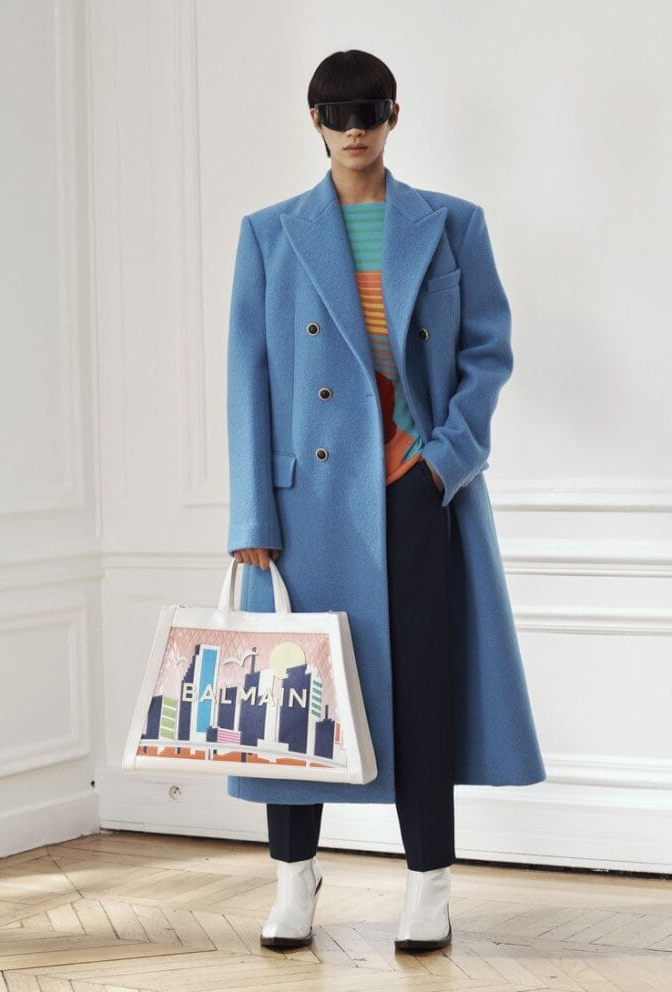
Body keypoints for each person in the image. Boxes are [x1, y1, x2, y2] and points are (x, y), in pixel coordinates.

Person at [226, 49, 545, 953]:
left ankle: (427, 883)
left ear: (393, 116)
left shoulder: (450, 223)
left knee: (421, 688)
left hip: (418, 491)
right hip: (309, 504)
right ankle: (294, 879)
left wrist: (446, 462)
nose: (354, 127)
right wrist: (252, 514)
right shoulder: (269, 233)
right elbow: (247, 374)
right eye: (337, 113)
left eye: (368, 111)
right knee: (295, 696)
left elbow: (486, 352)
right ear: (315, 122)